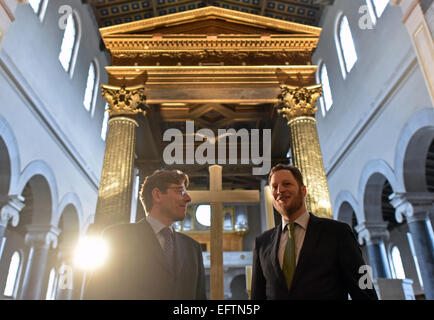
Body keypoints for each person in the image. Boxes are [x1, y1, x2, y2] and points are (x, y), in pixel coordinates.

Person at [251, 164, 378, 300]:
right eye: (274, 187)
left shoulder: (338, 233)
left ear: (303, 191)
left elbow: (364, 290)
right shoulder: (262, 243)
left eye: (287, 184)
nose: (280, 190)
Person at [85, 169, 206, 299]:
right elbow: (96, 293)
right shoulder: (117, 238)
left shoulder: (192, 248)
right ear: (157, 195)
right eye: (180, 191)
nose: (188, 198)